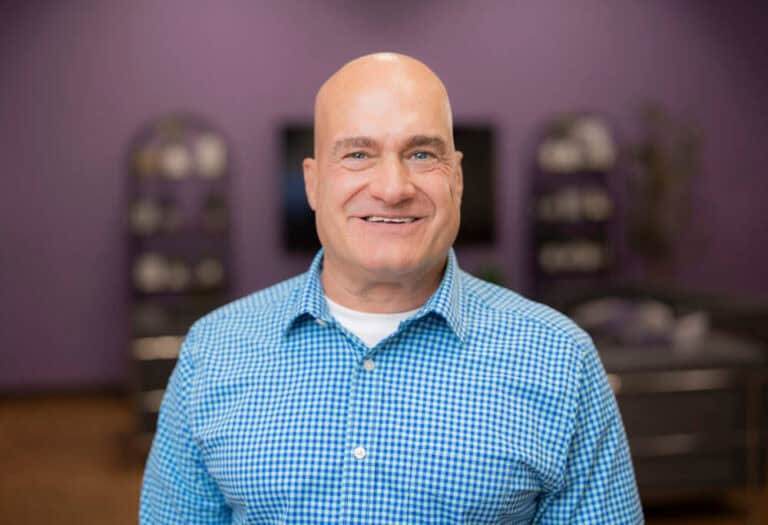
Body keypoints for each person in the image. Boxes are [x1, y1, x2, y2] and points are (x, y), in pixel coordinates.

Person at [140, 52, 643, 524]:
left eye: (422, 154)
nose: (393, 187)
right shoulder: (214, 349)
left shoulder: (560, 359)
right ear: (313, 184)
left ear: (458, 180)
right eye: (358, 154)